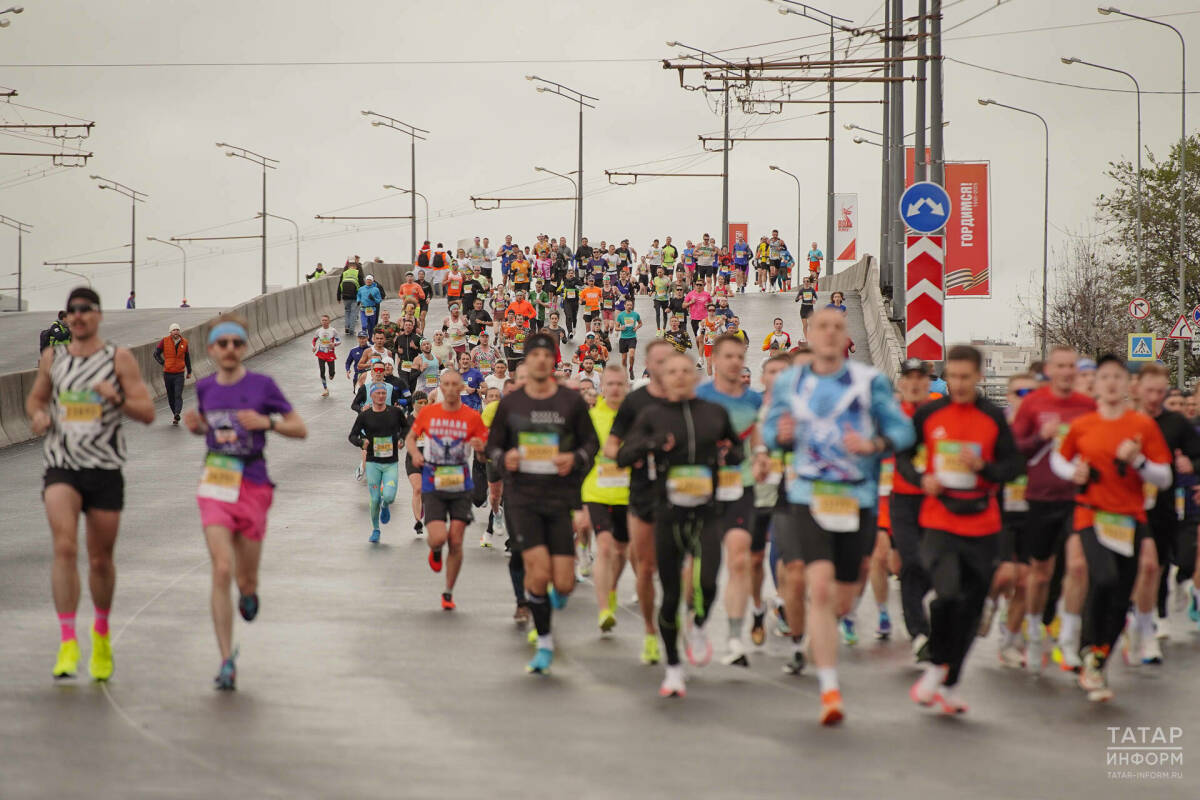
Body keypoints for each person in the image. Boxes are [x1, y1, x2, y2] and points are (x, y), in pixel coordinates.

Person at [762, 308, 914, 725]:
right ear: (809, 333)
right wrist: (781, 437)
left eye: (836, 327)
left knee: (843, 599)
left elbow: (903, 432)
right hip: (807, 496)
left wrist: (874, 444)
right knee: (821, 589)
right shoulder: (792, 381)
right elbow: (770, 432)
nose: (829, 334)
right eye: (821, 327)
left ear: (845, 336)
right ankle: (829, 689)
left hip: (857, 499)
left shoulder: (869, 383)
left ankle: (823, 633)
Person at [27, 287, 156, 681]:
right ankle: (68, 641)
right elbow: (36, 400)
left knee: (100, 560)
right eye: (73, 311)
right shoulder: (53, 358)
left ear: (98, 316)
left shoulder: (118, 358)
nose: (79, 317)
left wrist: (115, 398)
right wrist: (38, 417)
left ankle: (100, 633)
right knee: (64, 547)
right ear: (66, 318)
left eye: (86, 310)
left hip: (103, 468)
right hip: (62, 466)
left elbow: (147, 411)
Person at [183, 314, 307, 690]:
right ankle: (226, 660)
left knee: (244, 577)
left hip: (253, 483)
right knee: (222, 569)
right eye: (223, 344)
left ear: (245, 347)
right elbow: (212, 427)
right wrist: (198, 427)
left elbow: (299, 428)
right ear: (212, 350)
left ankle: (249, 593)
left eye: (237, 343)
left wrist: (267, 423)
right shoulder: (204, 389)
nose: (230, 350)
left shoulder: (263, 386)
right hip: (217, 481)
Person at [899, 345, 1023, 715]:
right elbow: (905, 458)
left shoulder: (992, 418)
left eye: (966, 377)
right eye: (952, 376)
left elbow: (1013, 465)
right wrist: (923, 478)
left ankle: (948, 684)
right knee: (947, 595)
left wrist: (984, 468)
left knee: (970, 609)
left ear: (979, 377)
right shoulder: (931, 414)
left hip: (983, 524)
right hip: (940, 520)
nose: (959, 384)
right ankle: (938, 663)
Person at [617, 350, 742, 698]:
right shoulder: (652, 415)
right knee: (670, 594)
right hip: (667, 513)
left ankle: (699, 623)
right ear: (663, 377)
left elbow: (738, 450)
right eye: (672, 372)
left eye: (686, 371)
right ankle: (673, 668)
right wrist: (652, 445)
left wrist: (728, 454)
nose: (680, 377)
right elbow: (625, 455)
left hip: (706, 512)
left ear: (696, 376)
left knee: (709, 581)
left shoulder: (714, 413)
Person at [1049, 354, 1171, 702]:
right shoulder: (1083, 425)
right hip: (1091, 515)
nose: (1112, 383)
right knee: (1102, 578)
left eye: (1118, 377)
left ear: (1127, 384)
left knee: (1121, 594)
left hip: (1130, 519)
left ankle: (1098, 659)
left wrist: (1138, 461)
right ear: (1096, 384)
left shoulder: (1143, 427)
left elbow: (1164, 478)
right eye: (1105, 378)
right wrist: (1073, 472)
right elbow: (1060, 456)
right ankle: (1087, 647)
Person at [486, 333, 598, 674]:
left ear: (553, 361)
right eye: (533, 355)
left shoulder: (571, 401)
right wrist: (507, 458)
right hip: (523, 497)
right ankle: (545, 641)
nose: (540, 360)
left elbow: (591, 445)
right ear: (525, 361)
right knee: (536, 568)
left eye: (546, 355)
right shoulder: (512, 404)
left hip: (559, 496)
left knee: (563, 581)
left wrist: (574, 458)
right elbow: (492, 449)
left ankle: (549, 603)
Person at [1009, 345, 1095, 673]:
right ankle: (1032, 630)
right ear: (1050, 369)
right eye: (1060, 366)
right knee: (1040, 574)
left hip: (1077, 497)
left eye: (1071, 367)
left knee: (1077, 567)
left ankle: (1070, 641)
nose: (1066, 372)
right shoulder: (1034, 403)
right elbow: (1015, 448)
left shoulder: (1087, 406)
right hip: (1040, 497)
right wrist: (1039, 439)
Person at [696, 334, 767, 669]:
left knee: (739, 559)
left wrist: (762, 456)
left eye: (740, 356)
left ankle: (735, 637)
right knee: (703, 570)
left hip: (741, 485)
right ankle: (697, 623)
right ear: (715, 358)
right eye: (728, 356)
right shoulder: (700, 396)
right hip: (704, 488)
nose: (735, 362)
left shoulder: (753, 399)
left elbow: (756, 436)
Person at [1126, 363, 1200, 664]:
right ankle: (1134, 619)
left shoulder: (1176, 424)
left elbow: (1197, 453)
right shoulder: (1126, 419)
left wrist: (1193, 466)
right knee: (1129, 571)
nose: (1155, 397)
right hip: (1121, 505)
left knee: (1152, 568)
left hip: (1163, 505)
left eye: (1160, 391)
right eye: (1150, 391)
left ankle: (1153, 622)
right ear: (1137, 388)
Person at [406, 370, 489, 610]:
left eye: (455, 384)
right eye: (446, 385)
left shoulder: (472, 416)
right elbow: (411, 438)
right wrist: (415, 454)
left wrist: (480, 447)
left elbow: (484, 452)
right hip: (434, 481)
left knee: (456, 540)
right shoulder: (429, 413)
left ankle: (448, 591)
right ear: (440, 387)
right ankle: (434, 550)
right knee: (439, 538)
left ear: (462, 387)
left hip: (460, 484)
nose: (451, 389)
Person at [888, 358, 936, 662]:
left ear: (929, 383)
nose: (915, 384)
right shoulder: (892, 416)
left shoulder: (939, 413)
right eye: (910, 378)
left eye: (921, 378)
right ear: (901, 383)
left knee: (932, 563)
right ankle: (918, 633)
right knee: (910, 562)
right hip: (902, 499)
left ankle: (924, 613)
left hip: (936, 500)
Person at [582, 365, 632, 633]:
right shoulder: (591, 418)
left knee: (621, 551)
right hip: (597, 490)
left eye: (619, 384)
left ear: (626, 387)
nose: (614, 388)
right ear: (602, 388)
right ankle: (603, 609)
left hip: (628, 492)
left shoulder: (637, 418)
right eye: (610, 384)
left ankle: (611, 588)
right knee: (604, 547)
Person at [349, 383, 409, 543]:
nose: (381, 396)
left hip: (390, 463)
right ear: (372, 395)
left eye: (384, 393)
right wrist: (362, 443)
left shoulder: (395, 412)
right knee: (374, 499)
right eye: (378, 393)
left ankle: (385, 506)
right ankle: (376, 529)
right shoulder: (364, 415)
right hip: (373, 463)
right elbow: (352, 436)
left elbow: (406, 427)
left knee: (388, 496)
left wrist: (402, 439)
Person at [155, 322, 193, 424]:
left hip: (179, 373)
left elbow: (187, 358)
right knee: (171, 396)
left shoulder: (184, 342)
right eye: (174, 330)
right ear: (170, 332)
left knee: (177, 395)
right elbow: (156, 354)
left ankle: (177, 412)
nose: (176, 331)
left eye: (177, 330)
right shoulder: (164, 341)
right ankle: (175, 415)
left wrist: (189, 371)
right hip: (168, 373)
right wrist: (163, 363)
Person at [310, 315, 340, 398]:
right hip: (321, 353)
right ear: (321, 322)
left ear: (329, 321)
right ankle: (325, 389)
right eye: (323, 320)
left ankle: (332, 374)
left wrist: (334, 344)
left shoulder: (333, 331)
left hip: (330, 353)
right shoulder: (318, 331)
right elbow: (314, 340)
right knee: (322, 371)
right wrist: (313, 347)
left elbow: (339, 340)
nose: (324, 322)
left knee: (331, 372)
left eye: (326, 320)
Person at [614, 300, 642, 380]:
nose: (629, 306)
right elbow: (616, 327)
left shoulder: (635, 314)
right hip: (623, 339)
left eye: (631, 305)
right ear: (625, 306)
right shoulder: (620, 315)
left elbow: (640, 323)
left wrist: (636, 327)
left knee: (632, 355)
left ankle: (631, 368)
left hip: (632, 338)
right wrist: (620, 328)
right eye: (628, 305)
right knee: (623, 359)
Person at [339, 263, 362, 334]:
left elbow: (339, 285)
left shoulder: (344, 274)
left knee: (347, 311)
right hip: (355, 297)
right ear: (355, 267)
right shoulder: (358, 273)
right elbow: (362, 286)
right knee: (353, 313)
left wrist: (338, 296)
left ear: (348, 267)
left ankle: (347, 327)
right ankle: (351, 329)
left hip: (345, 296)